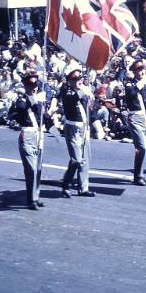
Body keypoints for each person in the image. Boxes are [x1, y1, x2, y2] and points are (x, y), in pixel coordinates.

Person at [12, 72, 46, 210]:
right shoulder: (21, 101)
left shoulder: (39, 100)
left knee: (38, 169)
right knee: (31, 169)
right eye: (31, 85)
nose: (34, 88)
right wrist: (31, 100)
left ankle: (35, 198)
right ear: (25, 86)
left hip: (39, 135)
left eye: (35, 85)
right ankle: (31, 199)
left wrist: (55, 134)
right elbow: (15, 113)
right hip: (27, 135)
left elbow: (44, 118)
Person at [60, 68, 95, 197]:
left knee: (85, 159)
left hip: (84, 127)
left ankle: (83, 188)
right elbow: (73, 98)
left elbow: (88, 110)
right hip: (73, 128)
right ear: (70, 81)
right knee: (76, 159)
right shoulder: (67, 91)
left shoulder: (83, 91)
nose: (79, 81)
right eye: (75, 79)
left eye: (80, 79)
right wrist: (84, 91)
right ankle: (66, 184)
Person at [124, 60, 146, 186]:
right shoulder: (130, 84)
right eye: (139, 70)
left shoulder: (144, 84)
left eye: (143, 70)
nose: (141, 72)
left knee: (143, 148)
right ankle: (137, 176)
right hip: (135, 117)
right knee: (141, 147)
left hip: (145, 116)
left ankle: (140, 174)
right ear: (134, 72)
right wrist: (141, 83)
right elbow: (131, 94)